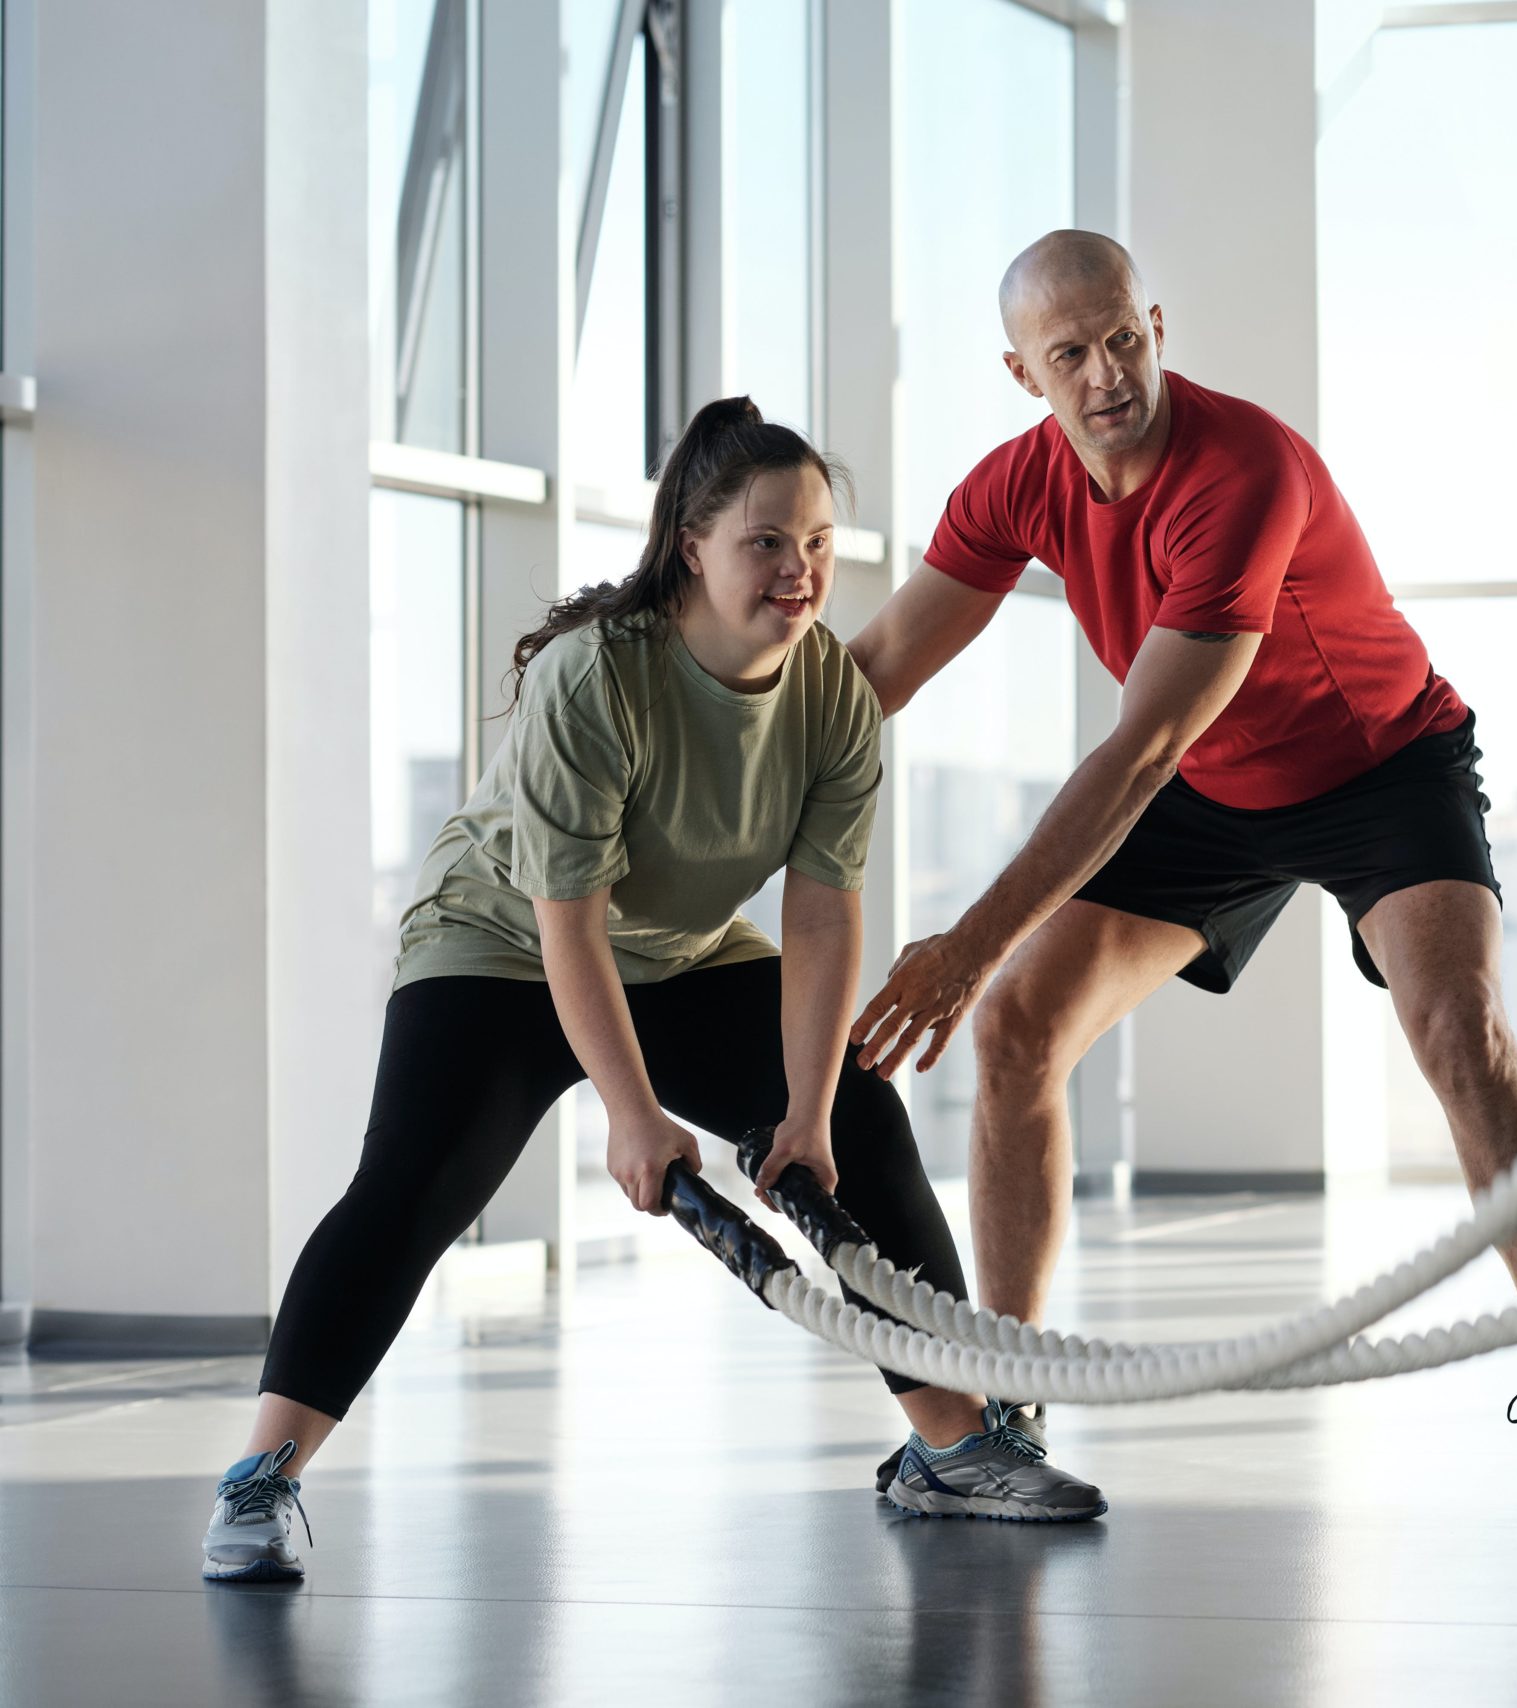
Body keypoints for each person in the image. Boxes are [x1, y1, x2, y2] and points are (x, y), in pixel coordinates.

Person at [203, 399, 1104, 1585]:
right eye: (768, 542)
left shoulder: (830, 693)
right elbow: (565, 920)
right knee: (415, 1184)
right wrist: (632, 1113)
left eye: (821, 542)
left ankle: (951, 1448)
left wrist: (809, 1108)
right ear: (693, 543)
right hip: (504, 941)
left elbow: (824, 910)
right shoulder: (596, 677)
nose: (802, 570)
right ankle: (261, 1479)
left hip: (678, 948)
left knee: (867, 1121)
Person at [846, 232, 1517, 1521]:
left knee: (1460, 1033)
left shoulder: (1242, 471)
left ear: (1154, 323)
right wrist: (705, 768)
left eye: (1122, 337)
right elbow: (873, 669)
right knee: (1019, 1029)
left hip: (1378, 766)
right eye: (1069, 355)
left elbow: (1142, 746)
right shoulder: (1013, 486)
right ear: (1020, 373)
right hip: (1214, 790)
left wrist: (964, 939)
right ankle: (999, 1418)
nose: (1106, 373)